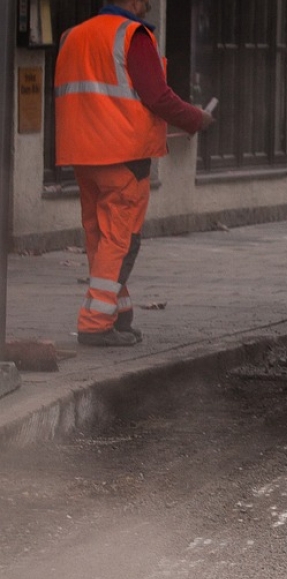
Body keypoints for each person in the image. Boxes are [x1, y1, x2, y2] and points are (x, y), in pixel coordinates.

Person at [54, 0, 214, 347]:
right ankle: (95, 323)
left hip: (82, 153)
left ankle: (119, 312)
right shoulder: (133, 36)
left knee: (101, 237)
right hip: (124, 154)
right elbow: (158, 96)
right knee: (121, 241)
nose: (148, 4)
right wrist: (195, 119)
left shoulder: (73, 36)